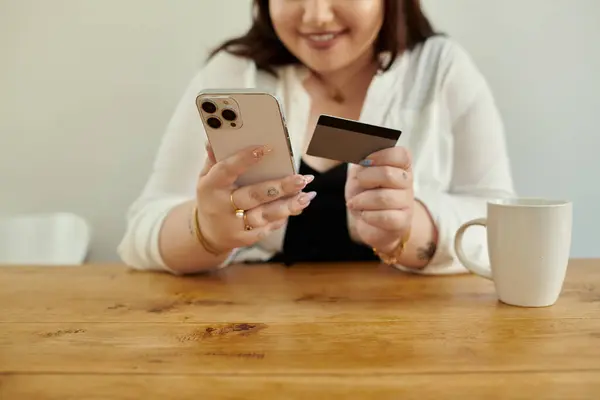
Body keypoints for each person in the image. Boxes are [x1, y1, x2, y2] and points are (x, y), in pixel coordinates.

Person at [118, 0, 515, 275]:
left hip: (412, 330)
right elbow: (140, 232)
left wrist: (410, 228)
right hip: (254, 331)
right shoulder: (235, 74)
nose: (317, 15)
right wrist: (207, 230)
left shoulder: (441, 69)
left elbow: (504, 227)